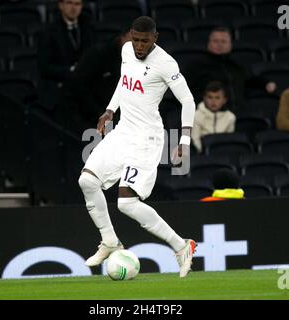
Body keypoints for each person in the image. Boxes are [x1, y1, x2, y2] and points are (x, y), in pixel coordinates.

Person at [78, 16, 197, 278]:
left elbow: (188, 101)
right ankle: (110, 241)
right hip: (123, 131)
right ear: (130, 35)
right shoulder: (126, 50)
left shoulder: (166, 63)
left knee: (126, 204)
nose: (139, 46)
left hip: (147, 139)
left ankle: (182, 246)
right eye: (136, 40)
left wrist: (184, 141)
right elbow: (124, 81)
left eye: (145, 41)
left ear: (155, 38)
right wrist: (110, 109)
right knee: (87, 181)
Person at [184, 27, 276, 113]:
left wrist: (266, 83)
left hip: (238, 113)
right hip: (209, 115)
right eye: (216, 41)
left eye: (223, 41)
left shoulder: (236, 65)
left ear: (230, 45)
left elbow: (250, 80)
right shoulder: (196, 66)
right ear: (209, 44)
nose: (219, 44)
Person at [38, 0, 95, 130]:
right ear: (61, 5)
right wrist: (71, 70)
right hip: (58, 90)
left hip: (83, 89)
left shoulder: (88, 28)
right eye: (69, 3)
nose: (73, 8)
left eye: (78, 4)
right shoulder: (48, 32)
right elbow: (44, 67)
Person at [69, 28, 132, 128]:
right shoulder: (98, 54)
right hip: (88, 112)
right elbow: (79, 87)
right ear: (123, 37)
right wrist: (100, 113)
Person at [191, 81, 236, 154]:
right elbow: (195, 140)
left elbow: (229, 141)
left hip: (224, 154)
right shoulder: (196, 116)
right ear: (204, 99)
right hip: (203, 155)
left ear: (224, 100)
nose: (213, 101)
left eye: (217, 98)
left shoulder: (230, 117)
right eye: (210, 97)